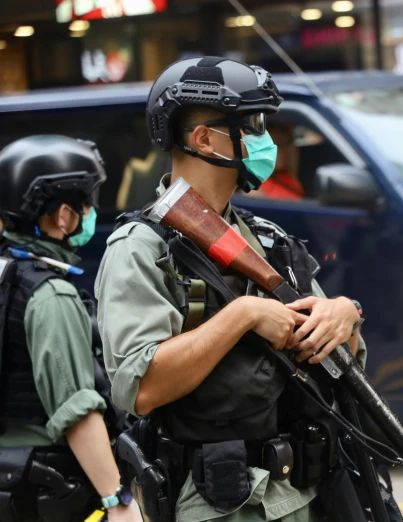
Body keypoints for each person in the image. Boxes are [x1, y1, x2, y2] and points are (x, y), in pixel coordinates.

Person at [95, 57, 368, 522]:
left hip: (300, 490)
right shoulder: (141, 248)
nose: (267, 139)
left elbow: (337, 361)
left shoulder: (265, 239)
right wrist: (241, 315)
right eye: (252, 124)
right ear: (203, 139)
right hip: (217, 502)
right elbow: (139, 387)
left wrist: (345, 317)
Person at [0, 136, 137, 522]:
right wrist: (118, 501)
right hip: (45, 489)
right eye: (85, 204)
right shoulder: (50, 294)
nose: (90, 213)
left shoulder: (6, 272)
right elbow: (77, 412)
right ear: (62, 215)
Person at [250, 123, 306, 200]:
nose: (281, 151)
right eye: (274, 145)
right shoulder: (255, 186)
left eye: (284, 144)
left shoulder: (288, 177)